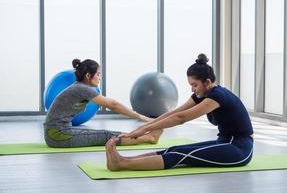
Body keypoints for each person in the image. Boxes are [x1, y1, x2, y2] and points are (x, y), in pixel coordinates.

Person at [105, 53, 254, 171]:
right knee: (174, 149)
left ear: (207, 82)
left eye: (195, 85)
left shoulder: (218, 96)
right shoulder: (203, 94)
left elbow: (181, 118)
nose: (192, 89)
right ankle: (123, 160)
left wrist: (144, 129)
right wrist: (141, 128)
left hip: (240, 149)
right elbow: (174, 112)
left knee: (180, 155)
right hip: (224, 142)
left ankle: (122, 164)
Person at [44, 59, 162, 148]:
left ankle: (146, 137)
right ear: (88, 76)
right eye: (98, 74)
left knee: (101, 133)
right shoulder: (82, 89)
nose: (100, 77)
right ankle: (149, 137)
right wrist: (142, 117)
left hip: (57, 133)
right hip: (57, 135)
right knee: (106, 136)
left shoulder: (79, 87)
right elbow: (113, 105)